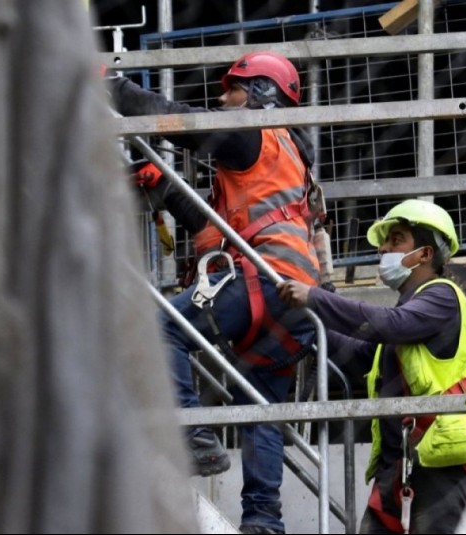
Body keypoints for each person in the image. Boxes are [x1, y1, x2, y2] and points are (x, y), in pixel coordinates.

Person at [109, 51, 320, 535]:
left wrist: (116, 89)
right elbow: (219, 228)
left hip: (266, 278)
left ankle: (192, 435)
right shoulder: (286, 156)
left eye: (233, 90)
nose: (223, 99)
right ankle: (264, 521)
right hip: (297, 297)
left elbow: (186, 126)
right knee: (262, 411)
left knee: (162, 323)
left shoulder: (254, 134)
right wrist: (164, 184)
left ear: (262, 93)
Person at [277, 199, 466, 534]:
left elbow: (390, 324)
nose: (384, 249)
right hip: (400, 464)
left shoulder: (443, 297)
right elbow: (364, 355)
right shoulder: (406, 312)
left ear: (425, 254)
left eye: (396, 240)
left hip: (441, 463)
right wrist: (309, 323)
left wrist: (316, 298)